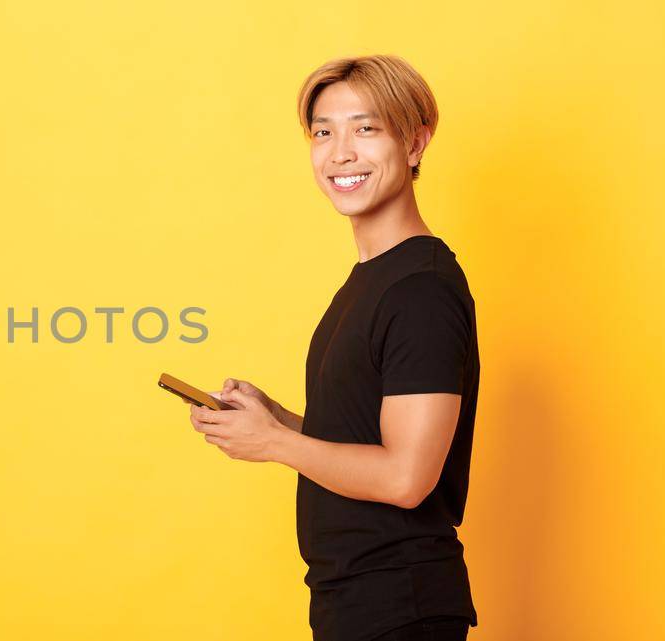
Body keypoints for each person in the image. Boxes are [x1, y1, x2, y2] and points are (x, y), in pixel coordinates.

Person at [186, 54, 480, 641]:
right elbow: (370, 443)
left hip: (400, 604)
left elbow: (405, 478)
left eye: (365, 129)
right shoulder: (370, 281)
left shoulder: (420, 290)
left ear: (417, 142)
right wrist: (281, 420)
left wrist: (275, 443)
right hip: (356, 603)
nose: (340, 152)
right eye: (324, 132)